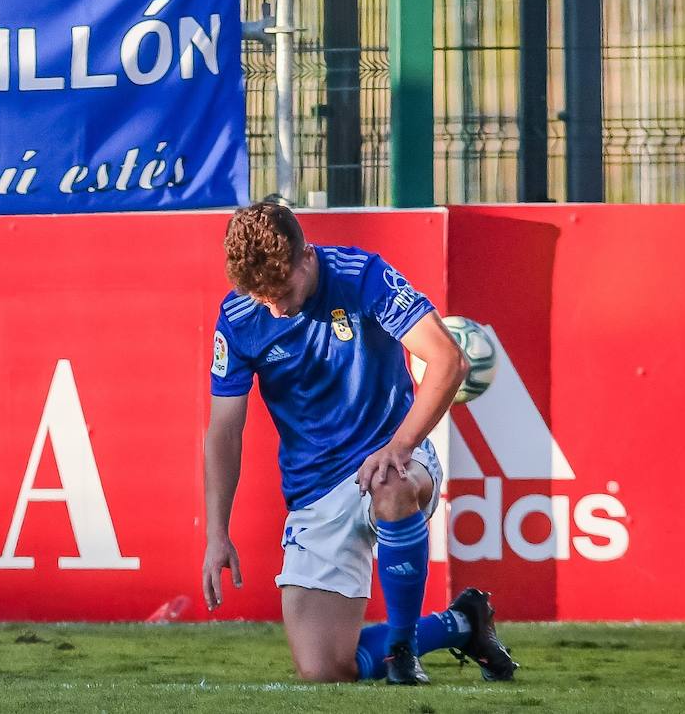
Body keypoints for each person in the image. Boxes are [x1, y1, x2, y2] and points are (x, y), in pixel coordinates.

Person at [200, 202, 518, 685]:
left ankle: (402, 651)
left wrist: (401, 444)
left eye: (283, 292)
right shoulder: (240, 316)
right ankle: (463, 624)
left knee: (391, 485)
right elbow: (224, 429)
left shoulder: (363, 275)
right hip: (314, 492)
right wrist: (216, 534)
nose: (277, 309)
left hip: (392, 454)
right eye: (263, 299)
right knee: (324, 670)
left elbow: (448, 360)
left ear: (306, 258)